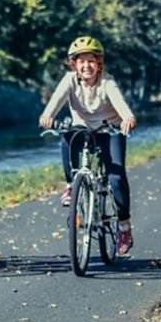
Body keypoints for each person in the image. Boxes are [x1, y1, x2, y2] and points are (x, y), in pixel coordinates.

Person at [38, 36, 137, 254]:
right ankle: (71, 185)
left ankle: (124, 227)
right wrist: (47, 115)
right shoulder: (69, 80)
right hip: (82, 129)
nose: (86, 66)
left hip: (110, 129)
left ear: (99, 63)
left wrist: (128, 119)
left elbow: (120, 104)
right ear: (74, 64)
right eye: (81, 61)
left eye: (91, 61)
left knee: (116, 176)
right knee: (67, 136)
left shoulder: (107, 82)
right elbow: (55, 102)